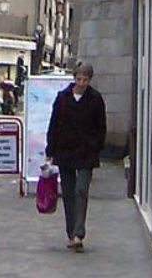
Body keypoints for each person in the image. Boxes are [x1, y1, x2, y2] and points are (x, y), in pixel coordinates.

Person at [44, 61, 108, 252]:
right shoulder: (63, 98)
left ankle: (79, 232)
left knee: (81, 190)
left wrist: (96, 146)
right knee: (69, 192)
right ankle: (72, 233)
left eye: (85, 80)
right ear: (74, 78)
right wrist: (50, 151)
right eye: (79, 79)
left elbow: (101, 126)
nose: (82, 83)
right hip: (65, 151)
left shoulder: (95, 99)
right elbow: (54, 124)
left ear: (90, 80)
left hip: (86, 152)